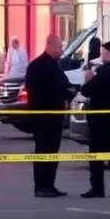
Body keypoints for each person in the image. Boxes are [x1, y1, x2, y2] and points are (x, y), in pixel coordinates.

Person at [23, 34, 76, 197]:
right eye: (60, 47)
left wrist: (70, 91)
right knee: (43, 150)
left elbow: (64, 84)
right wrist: (65, 92)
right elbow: (50, 89)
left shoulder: (55, 65)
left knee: (53, 150)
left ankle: (50, 184)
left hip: (55, 115)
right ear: (51, 46)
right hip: (43, 116)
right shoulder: (38, 66)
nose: (61, 51)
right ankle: (41, 186)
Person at [78, 41, 110, 198]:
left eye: (103, 53)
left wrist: (88, 80)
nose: (101, 56)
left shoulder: (103, 72)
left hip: (100, 119)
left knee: (96, 155)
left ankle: (97, 188)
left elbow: (87, 91)